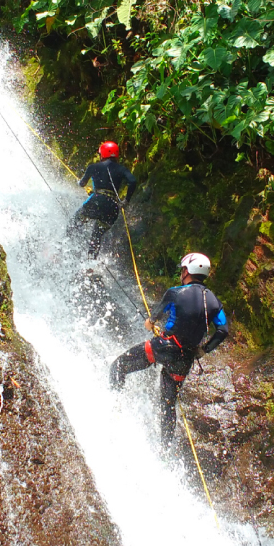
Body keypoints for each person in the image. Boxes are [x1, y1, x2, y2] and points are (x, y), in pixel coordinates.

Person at [109, 252, 229, 442]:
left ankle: (113, 409)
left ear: (188, 271)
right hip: (185, 360)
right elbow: (223, 330)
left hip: (163, 347)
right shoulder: (214, 302)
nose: (182, 273)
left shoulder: (175, 292)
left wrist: (150, 323)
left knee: (118, 367)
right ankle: (164, 448)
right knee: (168, 405)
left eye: (183, 269)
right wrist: (204, 350)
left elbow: (152, 319)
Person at [67, 141, 137, 258]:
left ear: (102, 154)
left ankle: (65, 248)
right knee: (97, 235)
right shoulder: (122, 169)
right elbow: (133, 181)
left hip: (96, 202)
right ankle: (91, 262)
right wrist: (126, 200)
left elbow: (82, 183)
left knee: (74, 223)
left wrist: (79, 182)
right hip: (112, 207)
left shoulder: (93, 167)